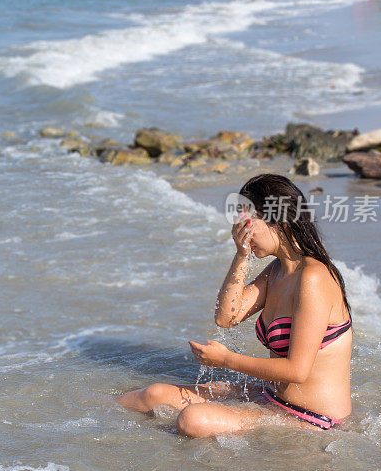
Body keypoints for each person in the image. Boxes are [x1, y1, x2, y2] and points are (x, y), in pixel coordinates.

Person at [115, 173, 353, 437]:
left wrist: (227, 360)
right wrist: (242, 255)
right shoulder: (276, 271)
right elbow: (226, 317)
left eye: (247, 225)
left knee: (193, 420)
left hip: (313, 418)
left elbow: (297, 371)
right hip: (272, 397)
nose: (242, 233)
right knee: (153, 394)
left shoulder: (314, 277)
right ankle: (84, 431)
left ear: (280, 221)